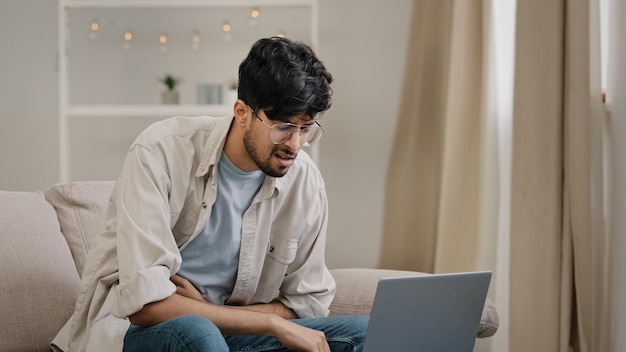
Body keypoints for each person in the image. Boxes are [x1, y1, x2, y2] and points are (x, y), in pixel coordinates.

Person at [51, 37, 368, 352]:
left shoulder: (305, 181)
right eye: (283, 126)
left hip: (232, 336)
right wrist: (270, 322)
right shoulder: (160, 152)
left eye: (306, 127)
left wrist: (220, 315)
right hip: (136, 332)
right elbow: (145, 306)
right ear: (242, 112)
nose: (294, 144)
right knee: (197, 332)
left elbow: (306, 305)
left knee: (364, 333)